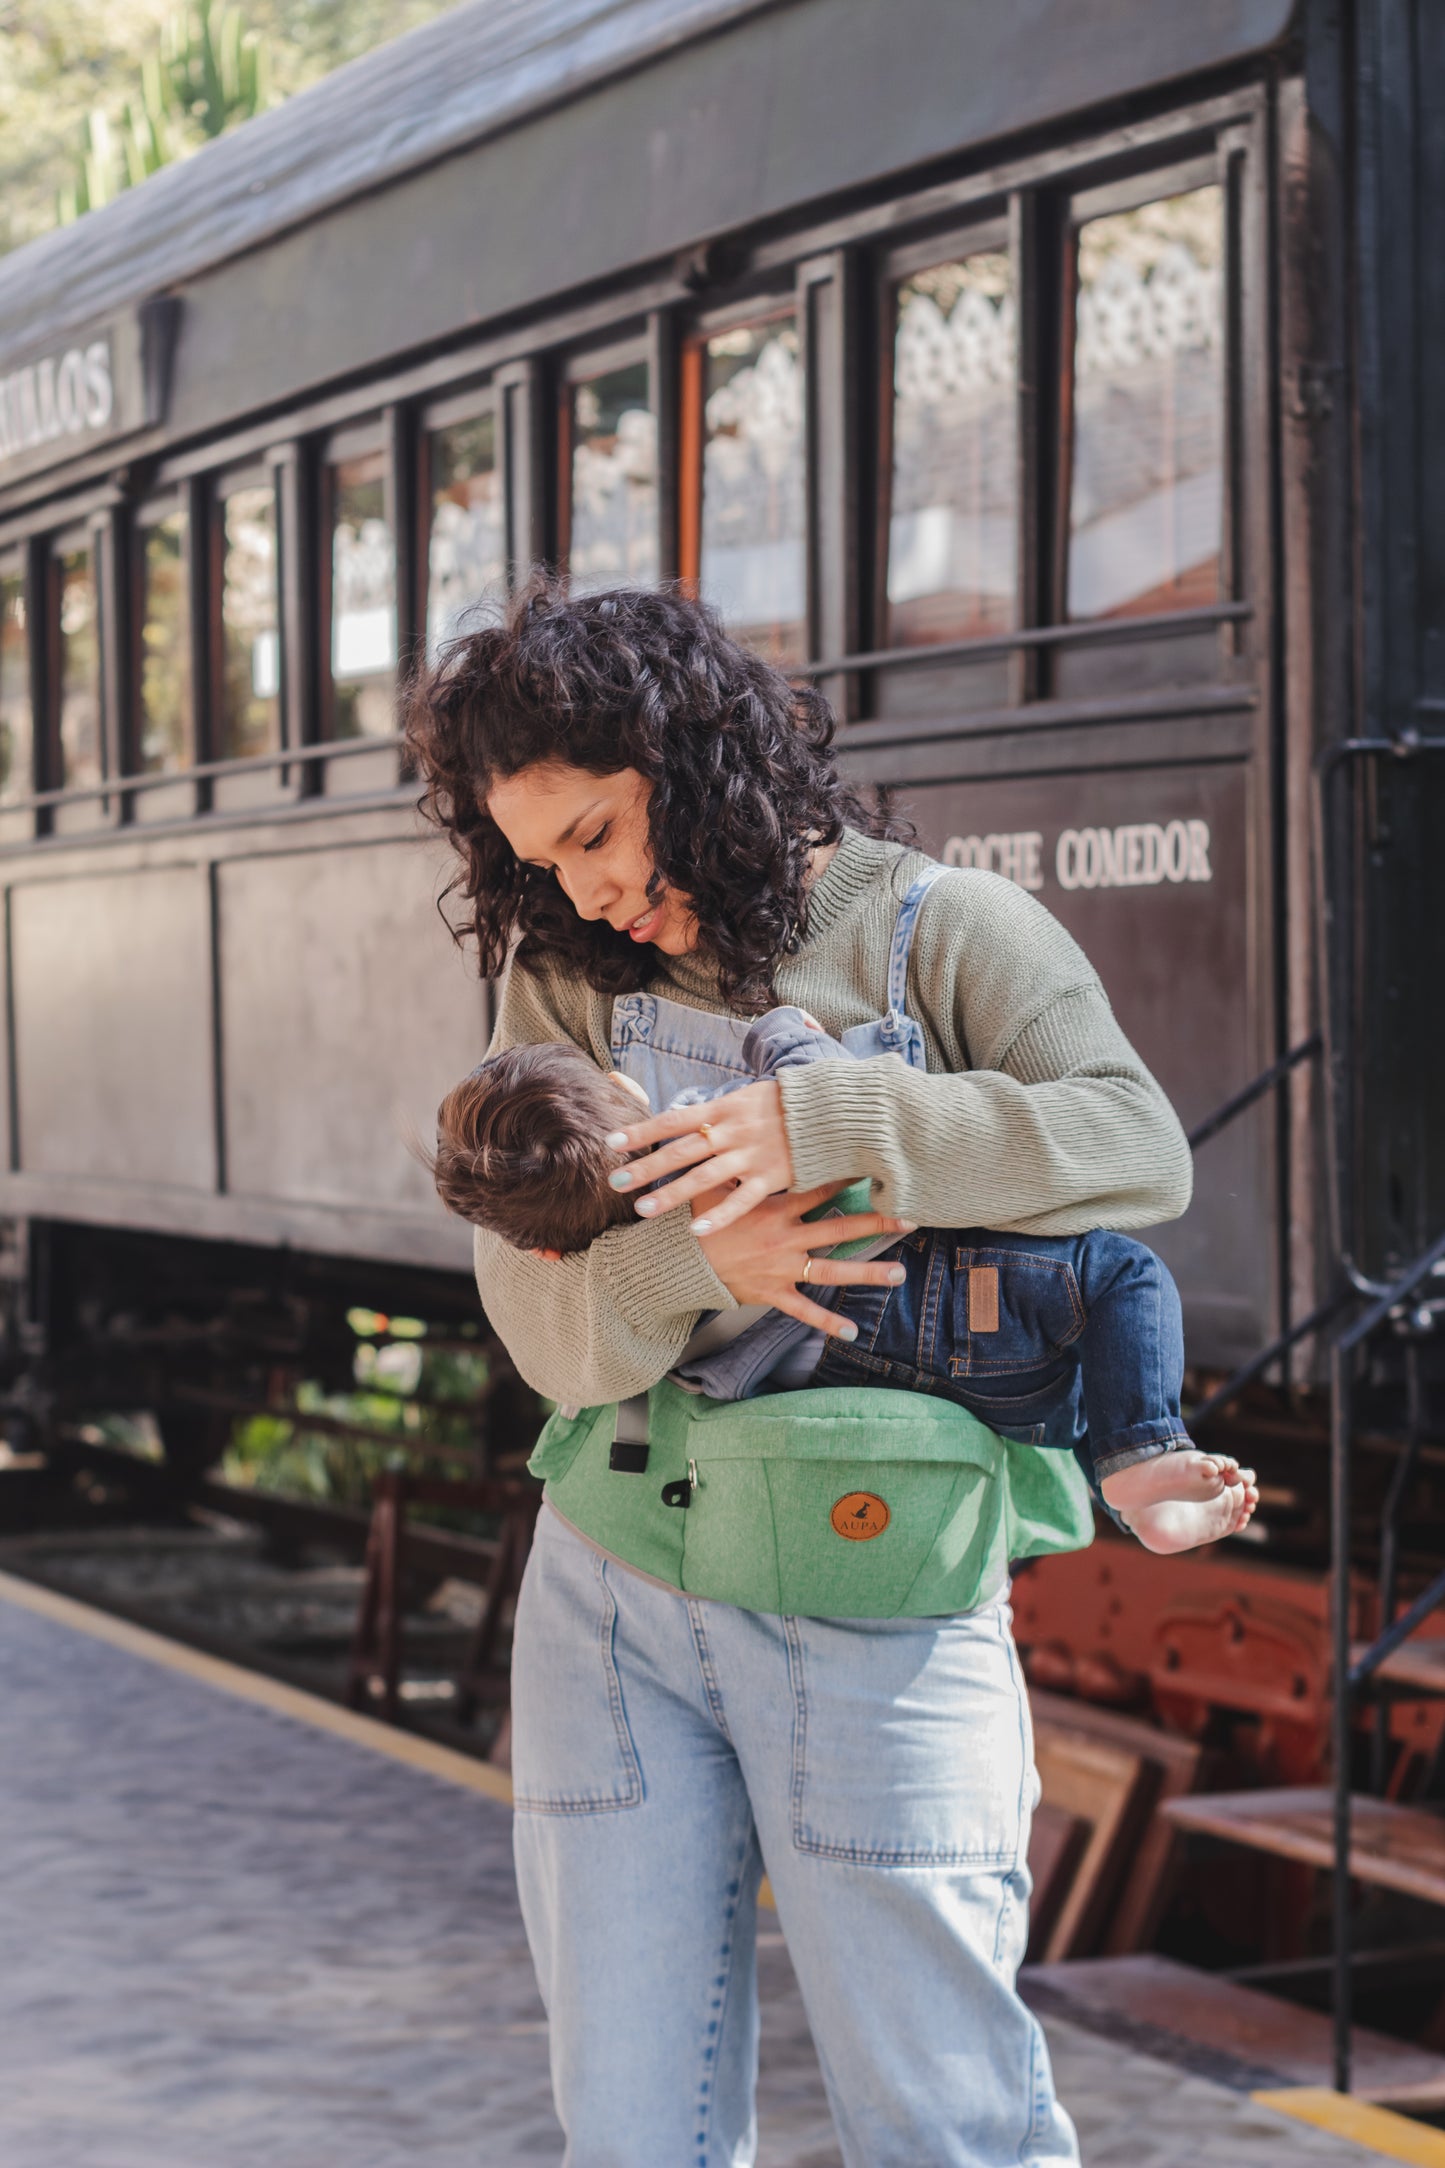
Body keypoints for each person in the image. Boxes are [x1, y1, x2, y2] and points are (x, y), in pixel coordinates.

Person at [405, 575, 1207, 2168]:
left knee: (947, 2129)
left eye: (596, 833)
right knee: (632, 2140)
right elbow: (540, 1325)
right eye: (538, 859)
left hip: (880, 1613)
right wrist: (708, 1262)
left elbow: (1137, 1149)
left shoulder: (943, 930)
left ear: (688, 754)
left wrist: (832, 1127)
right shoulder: (568, 980)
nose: (585, 887)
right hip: (609, 1602)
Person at [428, 1017, 1256, 1553]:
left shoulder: (621, 1298)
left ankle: (1122, 1476)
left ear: (541, 1253)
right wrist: (780, 1033)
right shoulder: (711, 1128)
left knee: (1067, 1394)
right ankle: (1140, 1457)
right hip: (931, 1289)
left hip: (868, 1378)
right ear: (626, 1095)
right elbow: (827, 1088)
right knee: (1118, 1276)